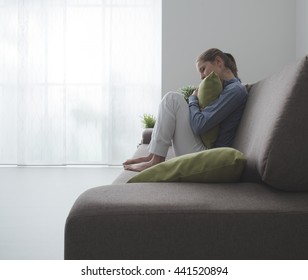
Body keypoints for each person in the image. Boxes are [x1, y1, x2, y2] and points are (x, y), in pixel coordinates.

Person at [123, 48, 248, 172]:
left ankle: (156, 160)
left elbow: (199, 125)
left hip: (210, 156)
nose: (201, 76)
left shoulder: (235, 91)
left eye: (203, 69)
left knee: (171, 99)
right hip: (205, 150)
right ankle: (153, 156)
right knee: (172, 99)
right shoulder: (226, 90)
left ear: (218, 62)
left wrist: (193, 99)